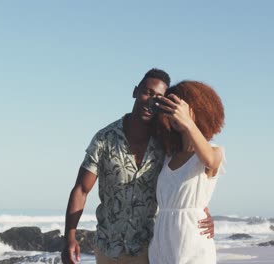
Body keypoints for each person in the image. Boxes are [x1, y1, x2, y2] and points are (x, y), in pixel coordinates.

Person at [61, 69, 215, 264]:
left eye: (159, 98)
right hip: (108, 248)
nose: (151, 101)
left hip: (149, 249)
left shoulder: (165, 144)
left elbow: (183, 181)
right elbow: (82, 189)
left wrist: (203, 213)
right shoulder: (105, 139)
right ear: (135, 92)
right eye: (147, 93)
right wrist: (69, 237)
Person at [148, 81, 225, 264]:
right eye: (171, 107)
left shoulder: (214, 151)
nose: (175, 112)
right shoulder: (168, 155)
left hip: (192, 246)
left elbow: (210, 161)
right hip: (162, 243)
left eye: (180, 106)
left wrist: (189, 122)